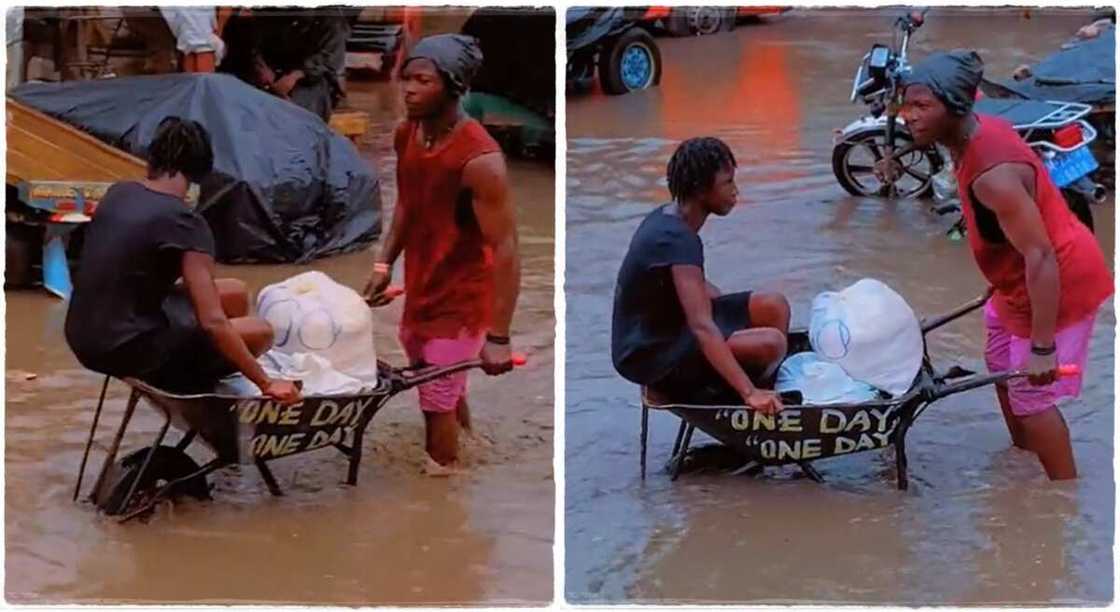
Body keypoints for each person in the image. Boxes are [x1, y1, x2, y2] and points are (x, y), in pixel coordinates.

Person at [900, 50, 1113, 480]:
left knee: (1034, 398)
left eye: (922, 106)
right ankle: (1023, 458)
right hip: (1016, 282)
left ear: (957, 107)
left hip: (1057, 278)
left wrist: (1042, 347)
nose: (908, 116)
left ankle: (1061, 497)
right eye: (907, 104)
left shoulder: (993, 174)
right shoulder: (976, 135)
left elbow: (1041, 255)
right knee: (1001, 369)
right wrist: (998, 279)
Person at [362, 34, 520, 472]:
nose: (408, 89)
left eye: (422, 80)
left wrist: (499, 337)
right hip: (422, 288)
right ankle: (469, 446)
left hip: (463, 300)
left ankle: (443, 488)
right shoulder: (407, 134)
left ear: (452, 86)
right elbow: (408, 204)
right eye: (406, 79)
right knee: (441, 387)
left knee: (434, 402)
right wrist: (383, 263)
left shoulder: (480, 160)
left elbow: (506, 249)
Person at [65, 117, 301, 404]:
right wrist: (267, 382)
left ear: (153, 156)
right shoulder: (185, 222)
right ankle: (199, 373)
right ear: (201, 168)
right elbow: (213, 321)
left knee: (235, 291)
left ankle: (203, 356)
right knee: (261, 331)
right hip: (126, 346)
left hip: (82, 335)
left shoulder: (119, 192)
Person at [611, 137, 789, 415]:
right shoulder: (676, 238)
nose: (736, 191)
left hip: (667, 327)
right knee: (771, 343)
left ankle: (764, 390)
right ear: (701, 189)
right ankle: (748, 397)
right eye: (728, 183)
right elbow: (702, 326)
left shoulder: (668, 216)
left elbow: (700, 290)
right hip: (650, 354)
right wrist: (749, 391)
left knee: (774, 305)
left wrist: (719, 310)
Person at [218, 8, 349, 121]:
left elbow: (329, 58)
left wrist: (295, 76)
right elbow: (248, 43)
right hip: (267, 76)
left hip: (310, 81)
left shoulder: (330, 16)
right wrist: (261, 68)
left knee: (296, 111)